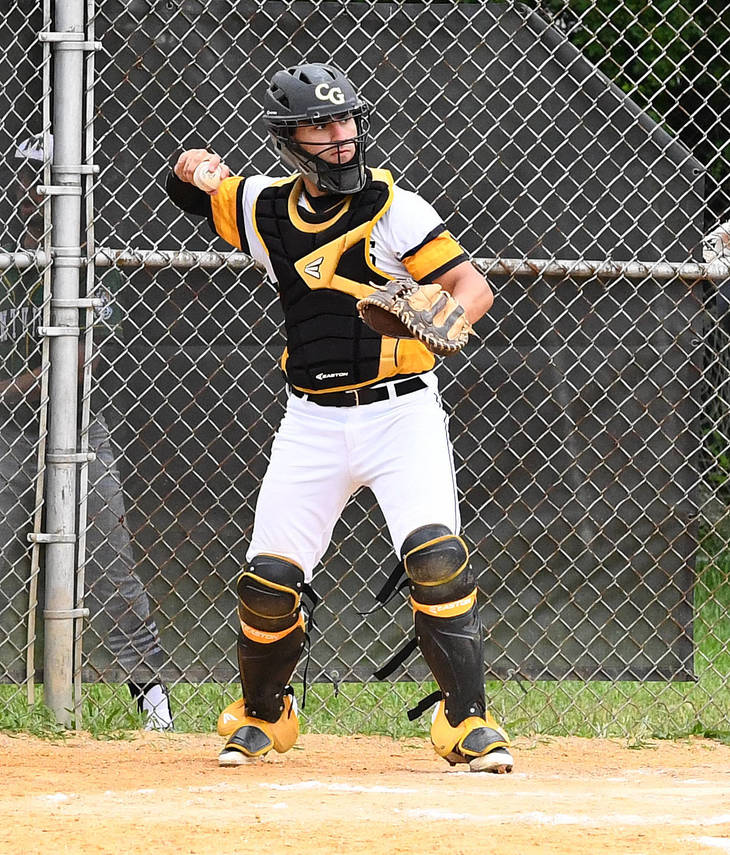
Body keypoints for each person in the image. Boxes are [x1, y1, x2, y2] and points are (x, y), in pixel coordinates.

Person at [166, 62, 513, 772]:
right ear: (290, 140)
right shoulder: (264, 207)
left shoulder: (395, 207)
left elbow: (469, 285)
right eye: (322, 127)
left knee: (437, 560)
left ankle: (467, 721)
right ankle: (263, 715)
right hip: (313, 420)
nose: (341, 137)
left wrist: (439, 315)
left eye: (347, 121)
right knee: (267, 580)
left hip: (401, 417)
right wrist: (195, 165)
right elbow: (187, 184)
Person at [0, 134, 174, 730]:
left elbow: (78, 366)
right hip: (8, 432)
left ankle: (151, 696)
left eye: (49, 183)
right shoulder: (6, 257)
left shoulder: (89, 256)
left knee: (108, 558)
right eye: (28, 183)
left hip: (79, 430)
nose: (36, 196)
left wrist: (24, 381)